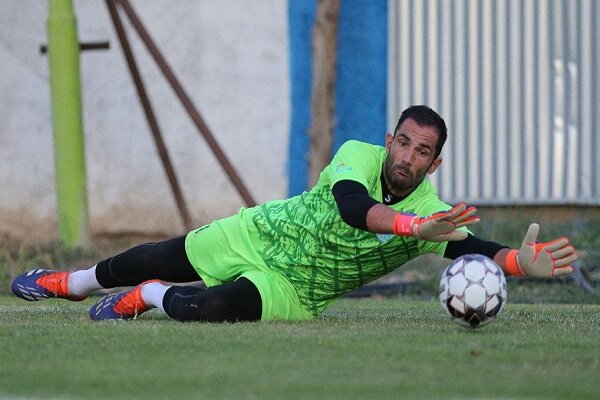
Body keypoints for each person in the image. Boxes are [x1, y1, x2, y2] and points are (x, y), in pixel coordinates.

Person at [12, 105, 577, 322]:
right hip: (260, 233)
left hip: (295, 291)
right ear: (390, 140)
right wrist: (413, 228)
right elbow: (354, 208)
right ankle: (71, 283)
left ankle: (149, 296)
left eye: (421, 151)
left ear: (435, 163)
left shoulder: (433, 212)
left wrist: (519, 262)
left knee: (203, 307)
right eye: (403, 143)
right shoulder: (359, 156)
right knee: (158, 253)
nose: (407, 157)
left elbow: (470, 247)